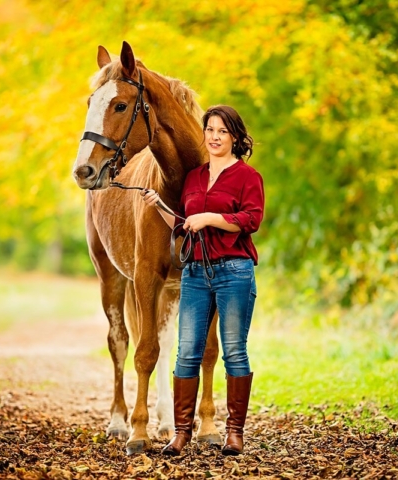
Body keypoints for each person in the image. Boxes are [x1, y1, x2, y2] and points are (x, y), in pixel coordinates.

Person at [141, 105, 264, 456]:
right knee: (186, 353)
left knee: (234, 352)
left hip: (235, 271)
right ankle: (181, 433)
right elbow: (183, 225)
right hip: (195, 272)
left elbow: (250, 220)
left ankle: (235, 433)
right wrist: (159, 206)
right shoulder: (194, 177)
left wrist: (210, 217)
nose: (214, 137)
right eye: (209, 129)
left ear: (236, 138)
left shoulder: (247, 177)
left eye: (222, 131)